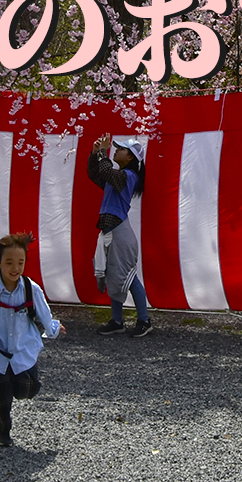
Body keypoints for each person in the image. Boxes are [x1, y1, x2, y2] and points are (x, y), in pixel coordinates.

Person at [0, 232, 63, 446]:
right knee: (0, 400)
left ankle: (24, 386)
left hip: (23, 351)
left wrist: (53, 327)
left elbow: (44, 313)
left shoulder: (31, 289)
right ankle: (2, 432)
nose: (15, 268)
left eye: (20, 262)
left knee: (27, 389)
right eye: (9, 262)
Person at [86, 134, 151, 337]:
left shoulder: (127, 177)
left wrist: (103, 152)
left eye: (121, 149)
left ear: (131, 157)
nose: (116, 150)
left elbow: (105, 170)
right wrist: (95, 153)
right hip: (111, 231)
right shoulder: (116, 178)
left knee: (128, 277)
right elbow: (94, 173)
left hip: (120, 232)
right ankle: (117, 320)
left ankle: (144, 320)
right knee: (114, 276)